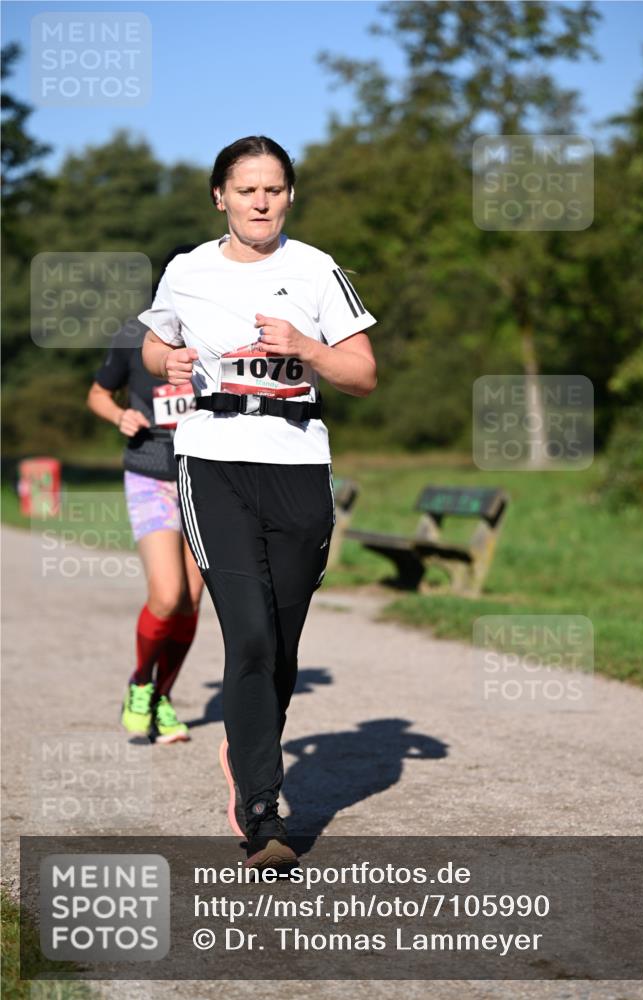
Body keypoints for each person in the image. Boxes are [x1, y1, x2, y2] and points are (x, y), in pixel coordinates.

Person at [140, 136, 377, 866]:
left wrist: (307, 346)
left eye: (273, 189)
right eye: (246, 190)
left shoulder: (316, 269)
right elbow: (153, 345)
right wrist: (168, 359)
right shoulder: (187, 270)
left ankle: (245, 747)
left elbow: (362, 375)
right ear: (221, 197)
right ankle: (262, 809)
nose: (261, 202)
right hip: (212, 460)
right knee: (246, 635)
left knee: (281, 644)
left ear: (290, 196)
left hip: (298, 463)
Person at [87, 246, 204, 745]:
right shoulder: (134, 335)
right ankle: (139, 682)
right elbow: (98, 393)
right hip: (151, 472)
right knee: (168, 594)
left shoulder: (220, 333)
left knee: (191, 603)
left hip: (205, 476)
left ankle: (162, 697)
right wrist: (120, 415)